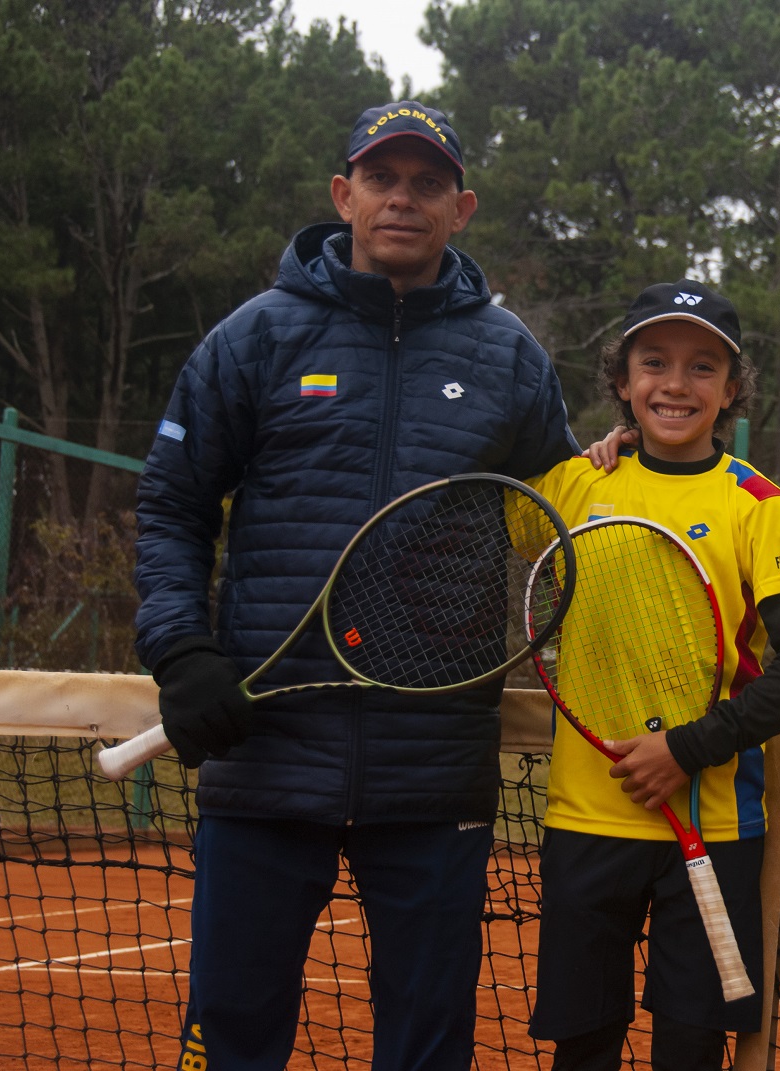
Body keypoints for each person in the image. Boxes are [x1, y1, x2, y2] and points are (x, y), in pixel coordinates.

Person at [133, 101, 579, 1070]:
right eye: (383, 179)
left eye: (427, 184)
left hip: (432, 765)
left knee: (426, 1047)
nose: (403, 200)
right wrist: (181, 648)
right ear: (345, 196)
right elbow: (170, 506)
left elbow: (566, 514)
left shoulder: (511, 358)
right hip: (262, 752)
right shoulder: (253, 339)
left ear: (461, 208)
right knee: (235, 1034)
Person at [526, 279, 780, 1071]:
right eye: (654, 362)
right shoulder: (573, 486)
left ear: (732, 390)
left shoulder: (760, 503)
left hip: (712, 825)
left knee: (692, 1047)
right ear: (622, 381)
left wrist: (689, 748)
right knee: (584, 1043)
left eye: (704, 367)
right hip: (585, 821)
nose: (676, 383)